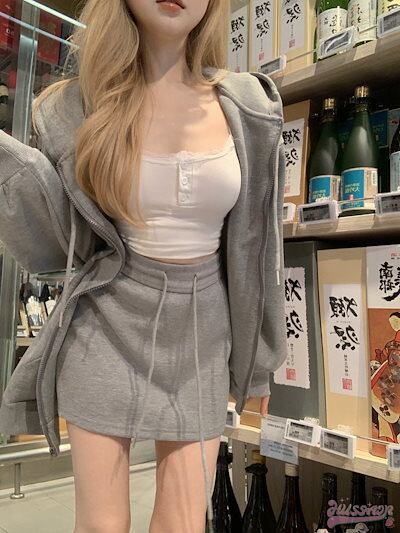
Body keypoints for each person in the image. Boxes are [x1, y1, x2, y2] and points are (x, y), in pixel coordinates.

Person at [0, 0, 287, 531]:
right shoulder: (74, 107)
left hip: (203, 334)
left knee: (183, 523)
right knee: (101, 525)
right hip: (106, 324)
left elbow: (260, 248)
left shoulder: (248, 105)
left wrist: (261, 363)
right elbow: (56, 246)